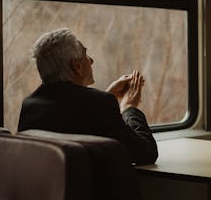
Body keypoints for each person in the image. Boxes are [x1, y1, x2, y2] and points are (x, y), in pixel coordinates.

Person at [18, 28, 158, 165]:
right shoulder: (100, 104)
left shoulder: (29, 105)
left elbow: (74, 113)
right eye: (86, 55)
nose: (91, 61)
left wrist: (106, 96)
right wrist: (129, 107)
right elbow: (146, 153)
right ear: (77, 66)